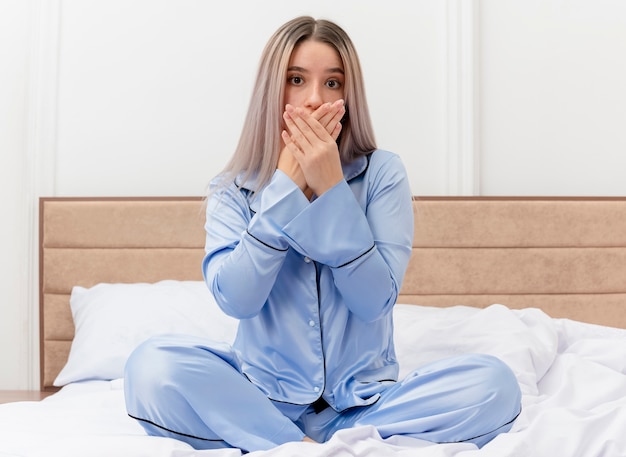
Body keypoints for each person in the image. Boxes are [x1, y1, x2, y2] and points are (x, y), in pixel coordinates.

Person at [124, 16, 522, 452]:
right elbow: (236, 299)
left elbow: (374, 302)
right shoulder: (231, 189)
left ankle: (287, 445)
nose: (315, 100)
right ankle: (299, 444)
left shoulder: (383, 174)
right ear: (272, 91)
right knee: (150, 367)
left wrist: (332, 189)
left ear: (349, 95)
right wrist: (284, 189)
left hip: (367, 407)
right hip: (260, 400)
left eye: (332, 84)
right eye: (297, 80)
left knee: (494, 384)